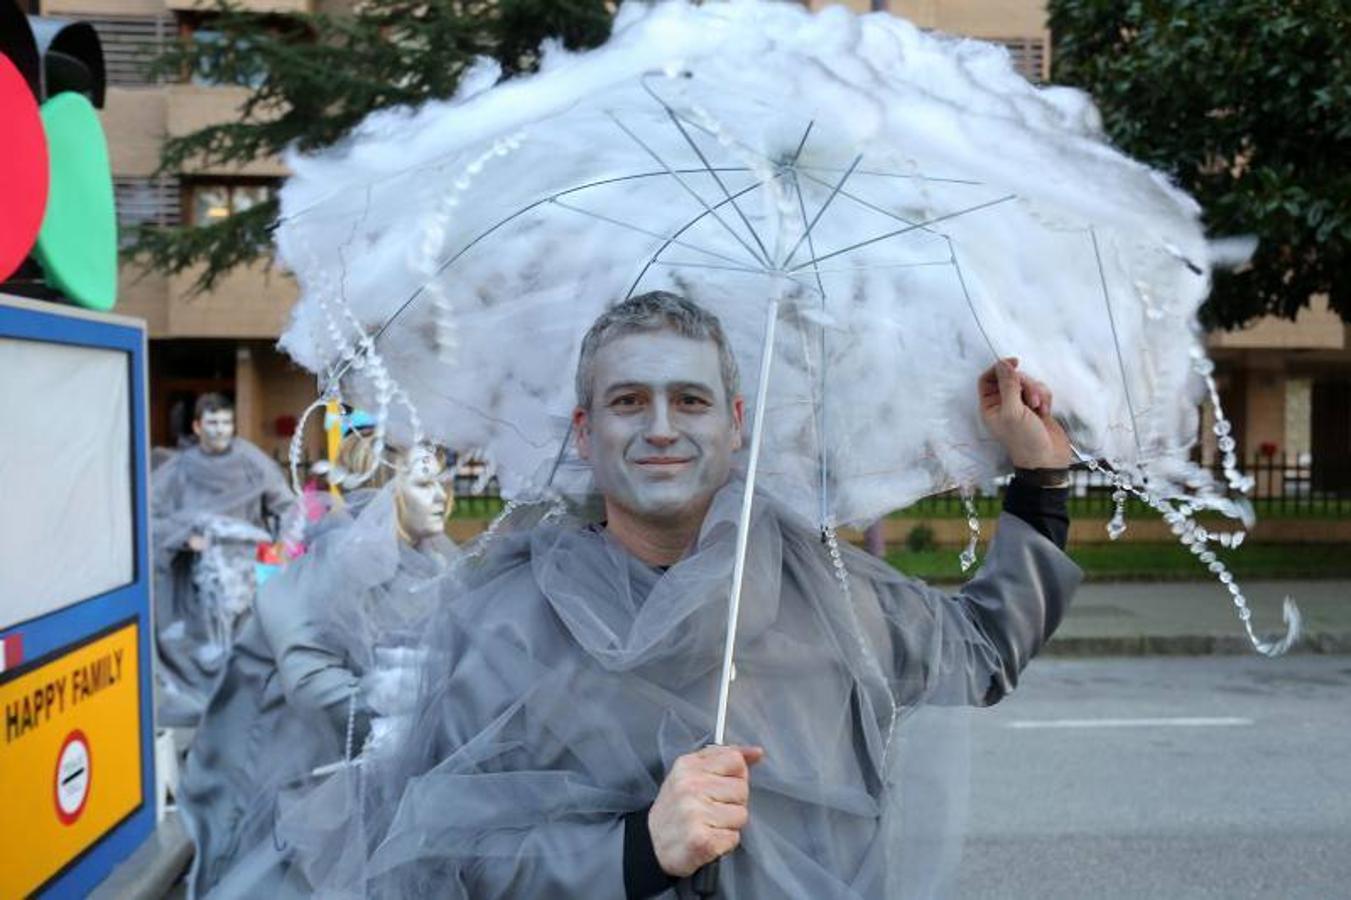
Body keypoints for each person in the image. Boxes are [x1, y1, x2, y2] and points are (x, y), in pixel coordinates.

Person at [315, 291, 1081, 898]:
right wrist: (635, 853)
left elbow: (979, 653)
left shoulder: (826, 594)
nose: (659, 428)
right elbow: (443, 858)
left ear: (734, 423)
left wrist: (1039, 478)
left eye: (689, 400)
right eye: (626, 402)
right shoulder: (502, 626)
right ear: (584, 433)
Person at [179, 436, 458, 898]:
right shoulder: (338, 561)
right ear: (386, 490)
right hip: (309, 768)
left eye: (442, 483)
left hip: (373, 774)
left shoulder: (427, 561)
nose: (441, 496)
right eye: (424, 483)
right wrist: (403, 731)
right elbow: (311, 682)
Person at [151, 393, 296, 724]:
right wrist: (186, 536)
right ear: (197, 426)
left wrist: (277, 551)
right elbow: (149, 516)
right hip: (194, 582)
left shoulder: (253, 462)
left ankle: (242, 719)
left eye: (226, 423)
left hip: (245, 578)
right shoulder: (179, 468)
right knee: (199, 653)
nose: (220, 430)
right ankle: (208, 723)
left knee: (247, 648)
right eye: (212, 423)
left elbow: (287, 508)